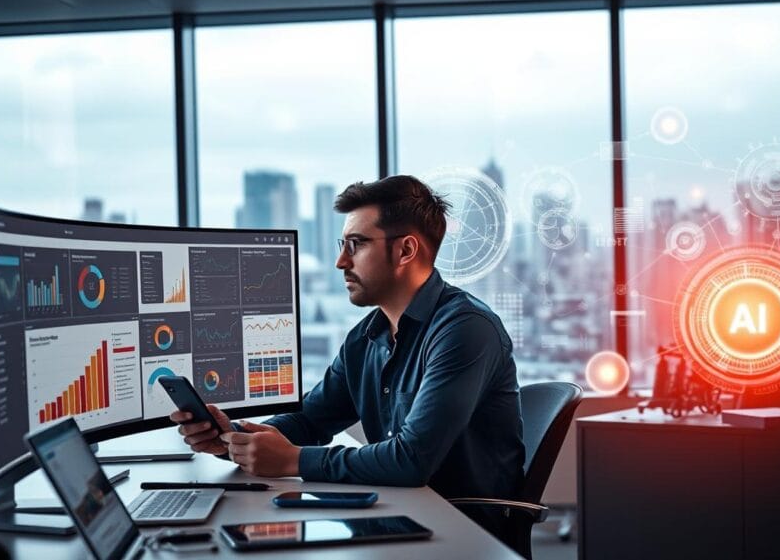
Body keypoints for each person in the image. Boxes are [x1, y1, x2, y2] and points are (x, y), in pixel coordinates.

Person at [170, 174, 525, 536]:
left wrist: (291, 459)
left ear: (405, 250)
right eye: (343, 244)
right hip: (396, 518)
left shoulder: (465, 330)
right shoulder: (366, 337)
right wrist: (234, 439)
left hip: (461, 535)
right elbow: (310, 420)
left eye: (356, 244)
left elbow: (412, 460)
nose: (341, 261)